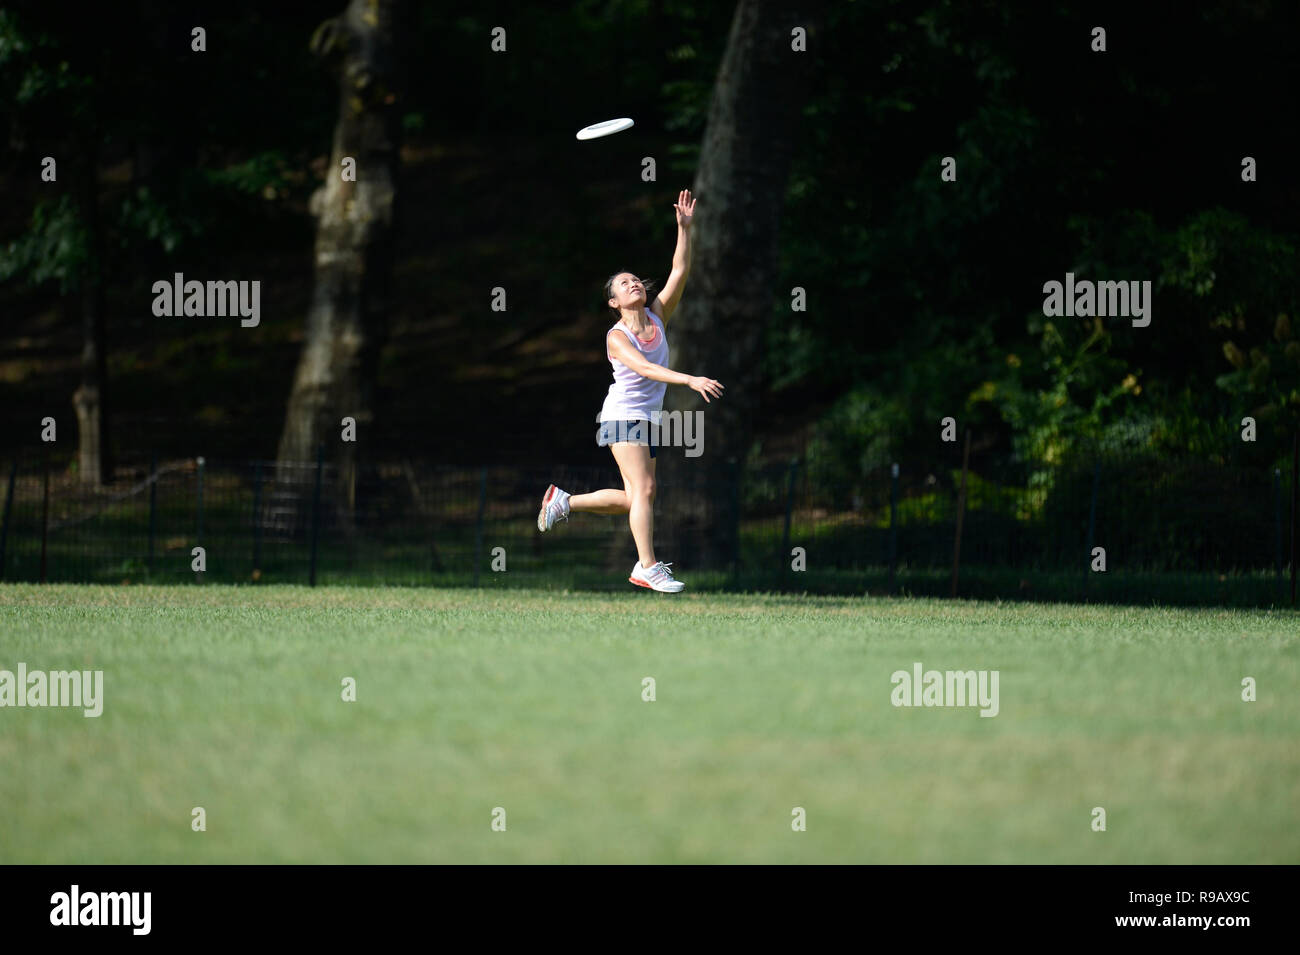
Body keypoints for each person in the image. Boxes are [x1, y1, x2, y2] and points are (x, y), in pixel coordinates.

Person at [537, 189, 723, 592]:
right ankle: (646, 566)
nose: (634, 283)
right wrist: (689, 379)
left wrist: (684, 230)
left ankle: (564, 502)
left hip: (648, 419)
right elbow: (644, 368)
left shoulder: (658, 316)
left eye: (636, 279)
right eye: (624, 283)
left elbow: (679, 272)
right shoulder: (616, 337)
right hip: (623, 415)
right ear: (614, 301)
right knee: (647, 490)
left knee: (633, 498)